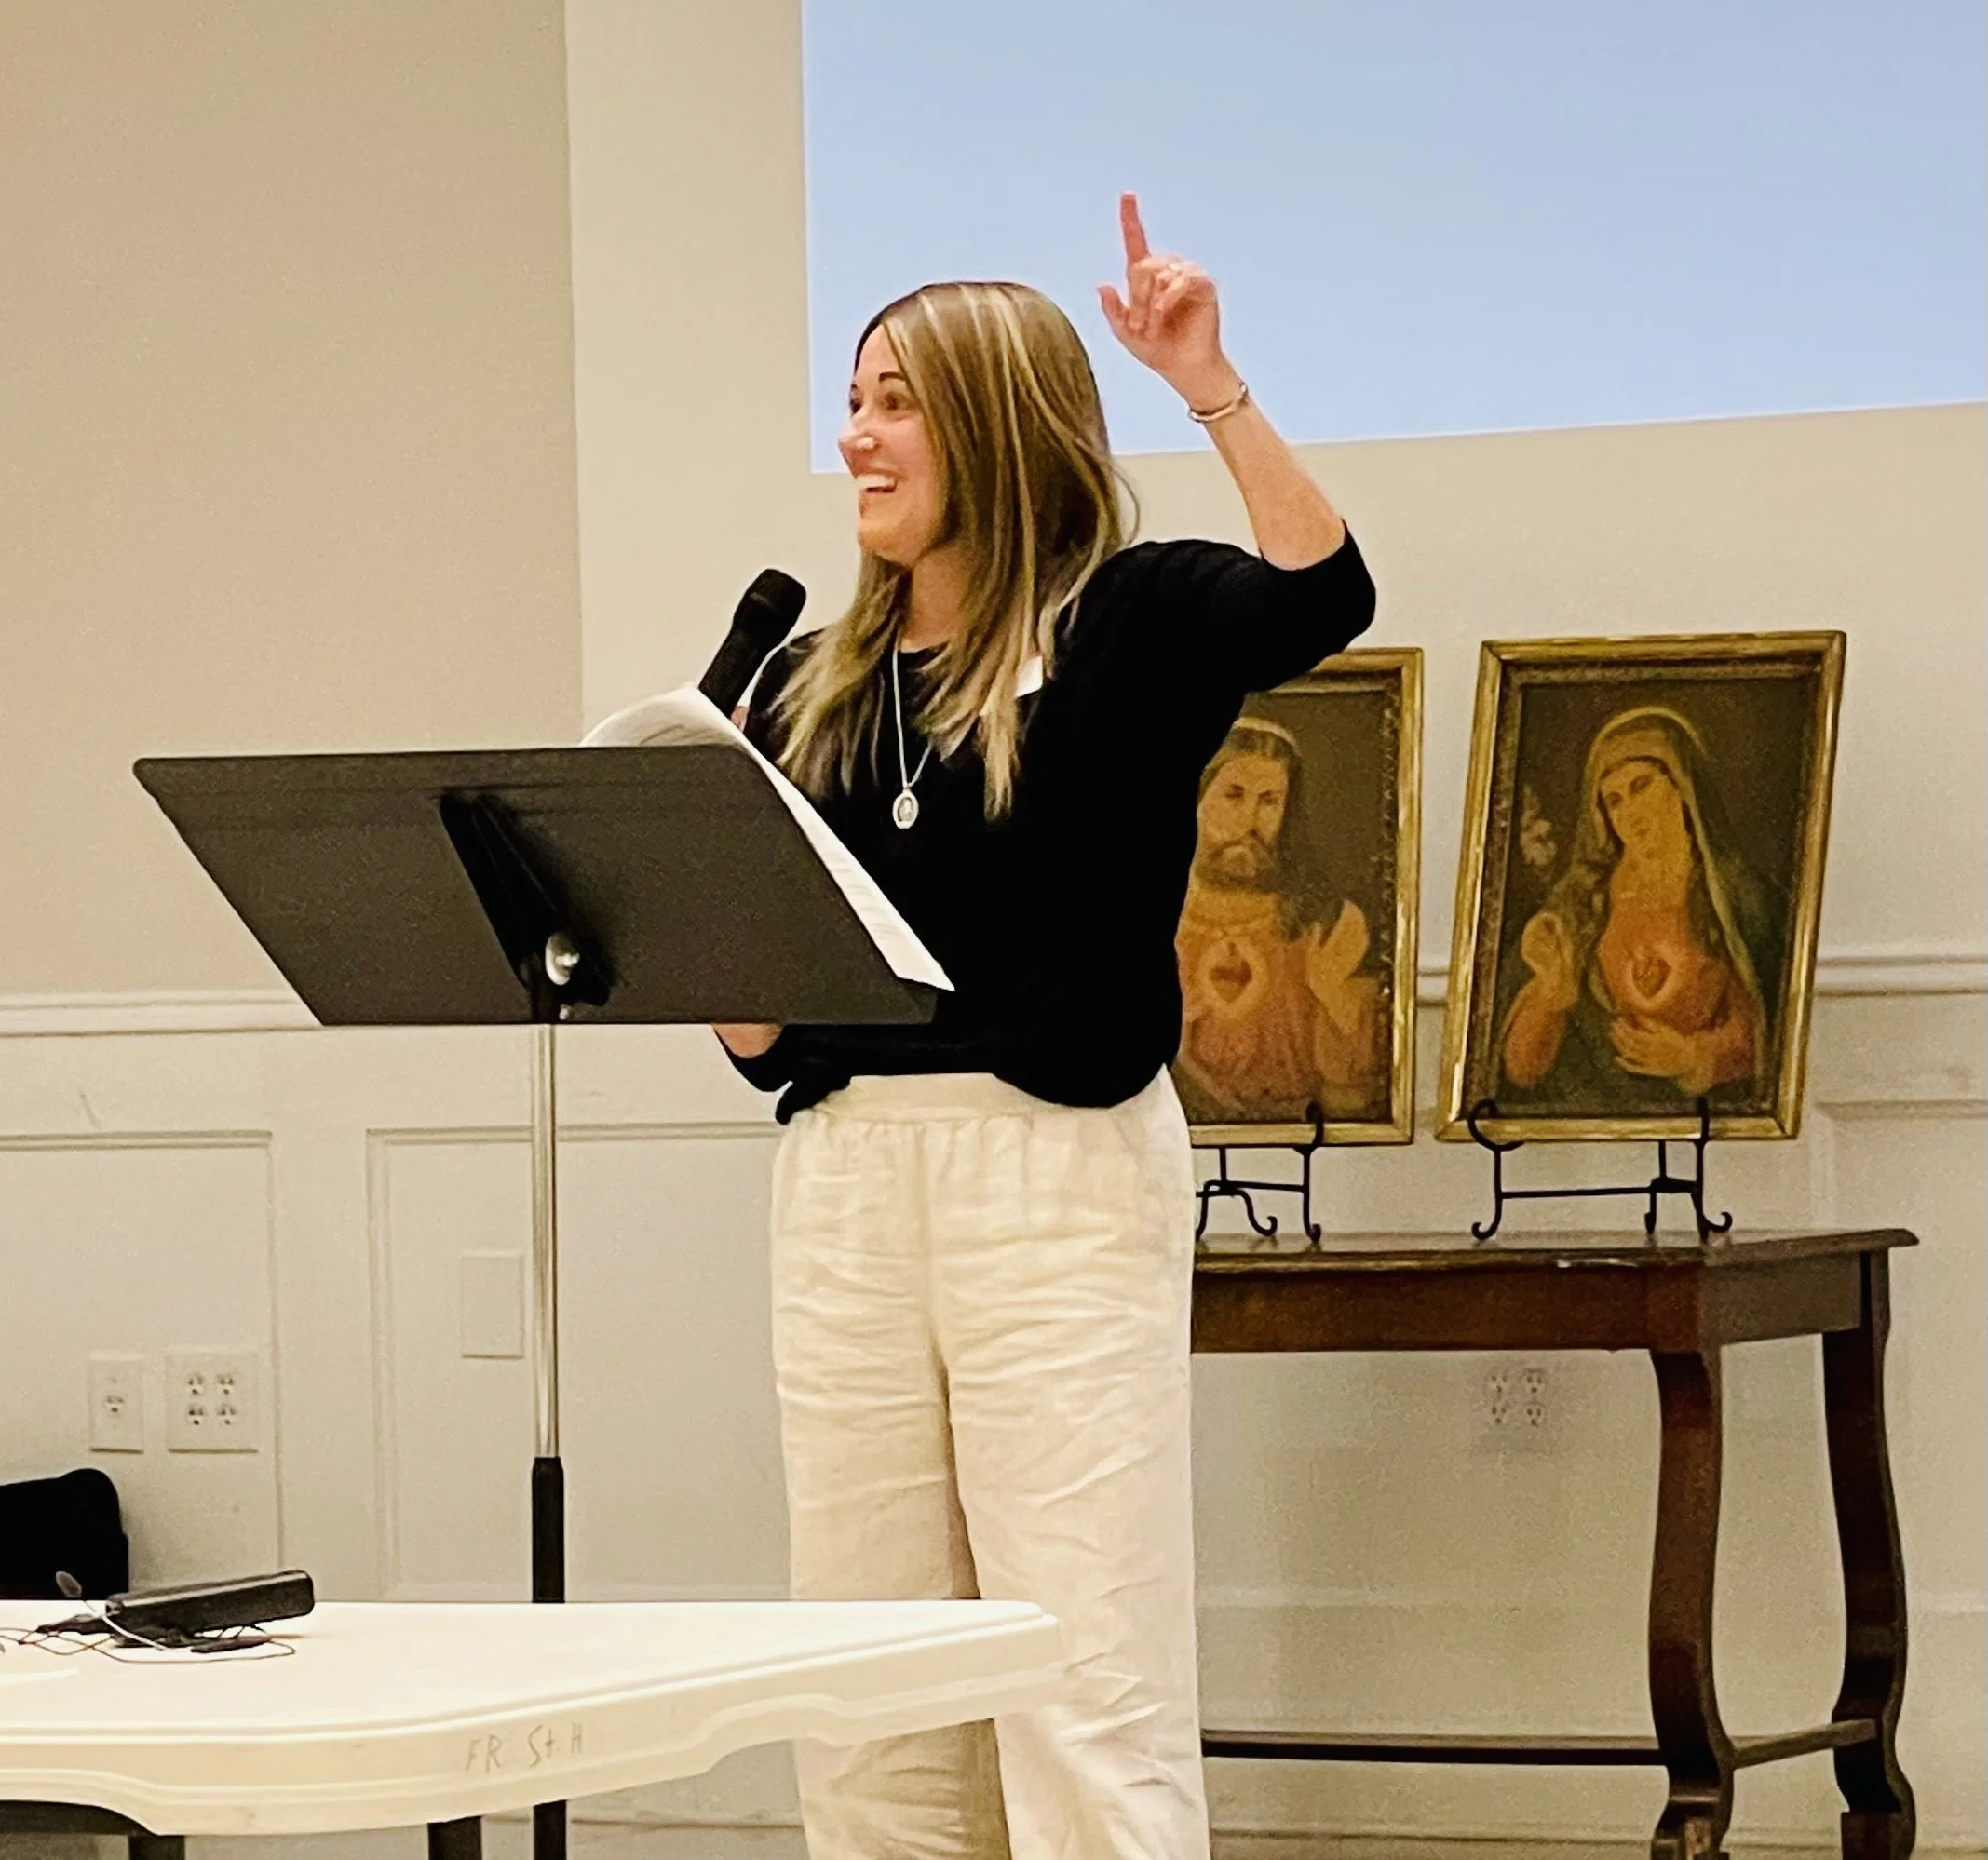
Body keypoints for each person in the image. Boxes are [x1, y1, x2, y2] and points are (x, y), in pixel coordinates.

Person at [715, 195, 1375, 1860]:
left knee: (1082, 1669)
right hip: (850, 1174)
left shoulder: (1130, 618)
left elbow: (1322, 593)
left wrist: (1209, 386)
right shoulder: (810, 675)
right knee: (865, 1673)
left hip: (1054, 1169)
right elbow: (768, 1034)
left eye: (892, 398)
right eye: (852, 397)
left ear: (996, 426)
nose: (854, 435)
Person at [1500, 706, 1776, 1108]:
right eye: (1613, 800)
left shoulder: (1732, 893)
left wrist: (1694, 1057)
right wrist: (1551, 995)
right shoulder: (1582, 900)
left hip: (1704, 1131)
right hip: (1594, 1122)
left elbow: (1764, 1033)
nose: (1629, 813)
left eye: (1641, 786)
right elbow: (1520, 1070)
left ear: (1681, 786)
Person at [1174, 716, 1385, 1124]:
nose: (1251, 820)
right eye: (1233, 795)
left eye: (1270, 800)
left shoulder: (1328, 922)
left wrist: (1332, 997)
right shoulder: (1146, 917)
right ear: (1196, 798)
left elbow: (1351, 1100)